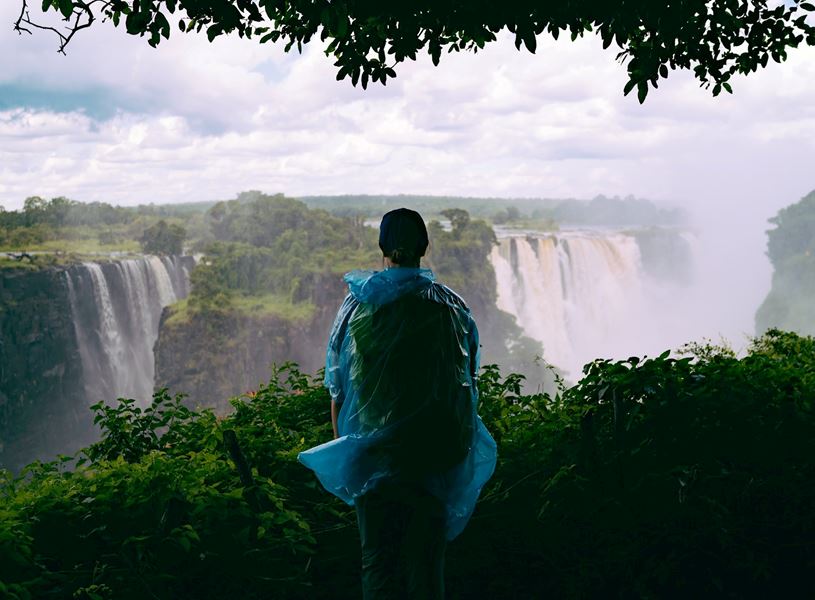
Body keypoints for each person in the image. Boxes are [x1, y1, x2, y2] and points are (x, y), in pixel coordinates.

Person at [299, 208, 497, 599]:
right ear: (425, 245)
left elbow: (337, 386)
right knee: (426, 565)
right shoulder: (450, 307)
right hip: (435, 455)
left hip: (373, 458)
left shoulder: (358, 308)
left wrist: (348, 454)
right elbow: (467, 383)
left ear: (381, 248)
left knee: (379, 564)